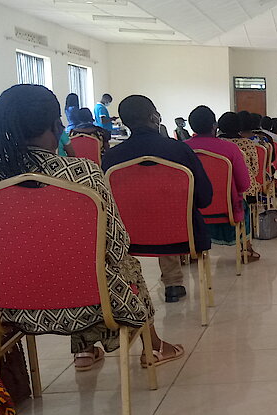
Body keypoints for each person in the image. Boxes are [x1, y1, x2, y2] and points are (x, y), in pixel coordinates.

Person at [0, 84, 184, 370]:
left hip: (2, 306)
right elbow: (116, 245)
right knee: (117, 265)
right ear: (56, 126)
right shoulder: (82, 174)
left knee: (59, 262)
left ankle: (84, 351)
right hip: (92, 303)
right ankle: (152, 347)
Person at [102, 95, 213, 304]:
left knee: (151, 211)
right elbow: (204, 198)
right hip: (181, 236)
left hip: (128, 238)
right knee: (169, 212)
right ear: (155, 117)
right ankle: (173, 283)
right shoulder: (180, 150)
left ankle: (131, 289)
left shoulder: (111, 158)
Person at [184, 106, 253, 256]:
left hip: (191, 210)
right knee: (244, 206)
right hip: (227, 208)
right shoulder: (231, 149)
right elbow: (244, 185)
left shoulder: (183, 148)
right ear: (214, 125)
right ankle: (246, 249)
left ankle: (189, 252)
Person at [217, 111, 262, 261]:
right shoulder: (247, 144)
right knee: (244, 206)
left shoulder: (214, 145)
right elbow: (254, 171)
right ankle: (246, 248)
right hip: (242, 191)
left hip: (213, 192)